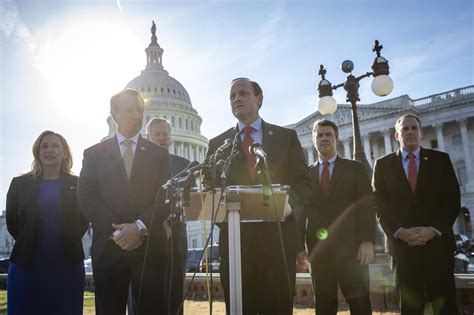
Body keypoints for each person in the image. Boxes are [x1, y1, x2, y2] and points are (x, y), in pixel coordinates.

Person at [205, 77, 312, 314]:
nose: (236, 99)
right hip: (235, 245)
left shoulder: (286, 138)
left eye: (242, 93)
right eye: (232, 96)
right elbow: (208, 188)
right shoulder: (218, 144)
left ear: (259, 99)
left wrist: (288, 205)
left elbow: (304, 184)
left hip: (278, 242)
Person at [77, 89, 171, 315]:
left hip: (149, 250)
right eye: (129, 110)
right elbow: (86, 196)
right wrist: (118, 232)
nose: (137, 115)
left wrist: (139, 227)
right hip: (109, 249)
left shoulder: (159, 154)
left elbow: (166, 196)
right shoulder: (94, 154)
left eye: (140, 110)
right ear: (114, 115)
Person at [373, 114, 460, 315]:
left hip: (438, 247)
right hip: (403, 250)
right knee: (410, 308)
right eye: (405, 129)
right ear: (396, 135)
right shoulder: (383, 165)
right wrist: (398, 231)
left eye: (414, 128)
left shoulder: (441, 160)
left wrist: (434, 229)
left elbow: (452, 201)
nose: (410, 132)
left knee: (445, 306)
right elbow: (379, 206)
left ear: (421, 133)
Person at [6, 130, 89, 315]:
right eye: (44, 146)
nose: (49, 150)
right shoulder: (19, 184)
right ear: (37, 152)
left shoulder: (78, 184)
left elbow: (84, 221)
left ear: (64, 152)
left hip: (67, 266)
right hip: (26, 266)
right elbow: (13, 222)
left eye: (55, 146)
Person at [305, 119, 375, 315]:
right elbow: (300, 212)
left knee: (360, 305)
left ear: (337, 139)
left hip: (352, 251)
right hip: (319, 251)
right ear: (314, 140)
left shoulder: (354, 168)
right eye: (320, 135)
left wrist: (367, 241)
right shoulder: (305, 174)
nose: (324, 138)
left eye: (328, 135)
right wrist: (297, 248)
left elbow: (367, 205)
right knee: (324, 307)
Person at [146, 117, 190, 315]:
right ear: (148, 137)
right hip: (147, 237)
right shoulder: (139, 167)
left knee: (175, 291)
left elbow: (191, 202)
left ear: (171, 138)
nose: (162, 138)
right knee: (148, 294)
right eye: (157, 134)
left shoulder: (185, 165)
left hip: (176, 236)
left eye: (165, 134)